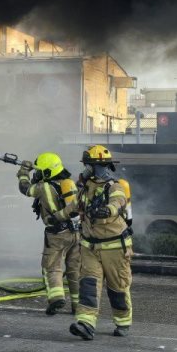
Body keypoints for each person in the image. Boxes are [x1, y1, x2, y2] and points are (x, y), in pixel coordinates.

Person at [52, 145, 132, 340]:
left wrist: (108, 210)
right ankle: (86, 324)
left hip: (114, 247)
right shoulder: (85, 189)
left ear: (98, 166)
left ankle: (122, 322)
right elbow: (73, 207)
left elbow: (118, 201)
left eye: (88, 165)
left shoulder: (114, 186)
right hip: (90, 247)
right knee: (88, 285)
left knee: (117, 288)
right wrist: (57, 217)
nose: (85, 169)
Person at [17, 152, 80, 316]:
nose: (37, 174)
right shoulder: (68, 183)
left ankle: (56, 297)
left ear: (47, 172)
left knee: (51, 267)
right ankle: (78, 304)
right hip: (76, 232)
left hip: (57, 233)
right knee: (75, 269)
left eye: (39, 171)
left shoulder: (44, 187)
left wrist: (24, 172)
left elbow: (25, 189)